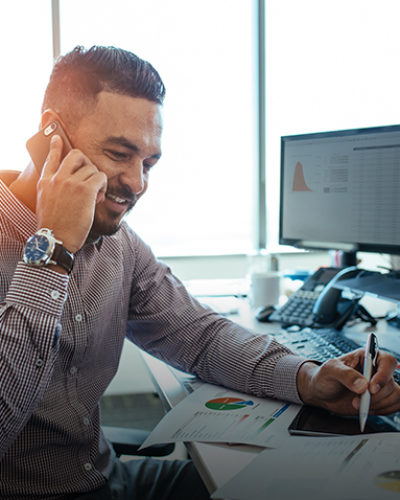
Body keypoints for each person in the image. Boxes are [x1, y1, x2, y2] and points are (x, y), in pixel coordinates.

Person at [0, 45, 399, 500]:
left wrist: (308, 379)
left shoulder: (119, 244)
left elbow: (200, 336)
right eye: (118, 154)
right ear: (51, 133)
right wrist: (52, 248)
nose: (137, 183)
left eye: (148, 163)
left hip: (109, 481)